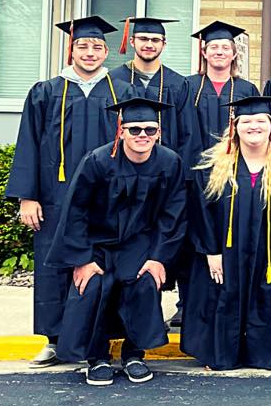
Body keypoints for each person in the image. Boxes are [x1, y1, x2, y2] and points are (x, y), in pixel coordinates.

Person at [10, 16, 135, 368]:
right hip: (55, 195)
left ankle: (103, 339)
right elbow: (29, 144)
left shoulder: (120, 92)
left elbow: (138, 145)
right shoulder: (46, 90)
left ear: (106, 51)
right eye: (83, 45)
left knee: (103, 266)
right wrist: (27, 196)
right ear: (71, 49)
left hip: (107, 198)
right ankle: (53, 339)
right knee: (55, 264)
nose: (91, 52)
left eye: (97, 47)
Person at [46, 98, 185, 385]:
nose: (142, 135)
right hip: (98, 244)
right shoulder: (97, 161)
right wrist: (82, 259)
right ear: (120, 131)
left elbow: (174, 214)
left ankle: (135, 354)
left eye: (150, 129)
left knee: (144, 282)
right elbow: (76, 212)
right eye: (134, 129)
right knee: (95, 286)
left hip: (140, 243)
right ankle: (97, 358)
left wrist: (158, 257)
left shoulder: (170, 163)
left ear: (159, 132)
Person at [183, 95, 271, 371]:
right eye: (246, 121)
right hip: (225, 252)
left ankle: (266, 355)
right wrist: (211, 251)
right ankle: (221, 355)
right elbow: (200, 210)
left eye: (260, 121)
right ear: (235, 126)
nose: (253, 126)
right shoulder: (213, 165)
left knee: (270, 294)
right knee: (223, 294)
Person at [184, 21, 261, 167]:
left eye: (225, 48)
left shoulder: (247, 90)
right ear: (204, 53)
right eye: (213, 47)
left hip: (236, 164)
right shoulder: (187, 86)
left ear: (234, 54)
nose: (219, 52)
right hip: (193, 165)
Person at [110, 17, 188, 154]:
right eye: (143, 39)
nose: (149, 45)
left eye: (156, 40)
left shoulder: (178, 84)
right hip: (120, 167)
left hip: (166, 167)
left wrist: (182, 172)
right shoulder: (113, 80)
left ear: (164, 44)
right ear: (132, 42)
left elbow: (188, 134)